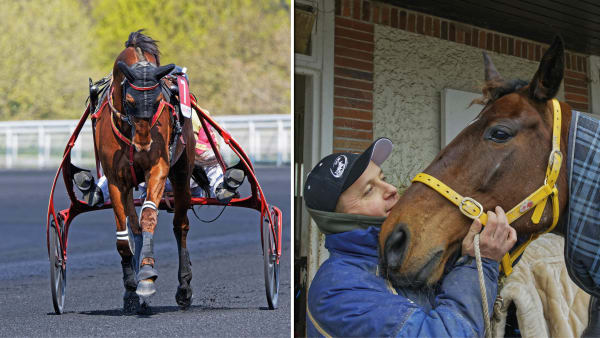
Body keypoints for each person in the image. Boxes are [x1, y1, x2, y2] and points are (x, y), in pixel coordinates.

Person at [303, 137, 517, 337]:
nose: (392, 190)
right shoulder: (337, 293)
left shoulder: (398, 258)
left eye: (383, 179)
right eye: (369, 191)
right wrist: (479, 263)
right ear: (336, 219)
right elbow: (444, 332)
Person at [74, 108, 244, 206]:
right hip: (188, 178)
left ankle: (97, 193)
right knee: (212, 172)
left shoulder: (149, 115)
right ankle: (222, 188)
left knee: (119, 173)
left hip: (155, 179)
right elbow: (211, 150)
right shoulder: (194, 112)